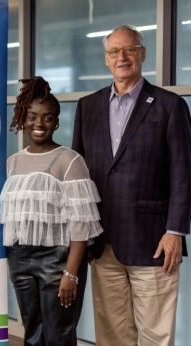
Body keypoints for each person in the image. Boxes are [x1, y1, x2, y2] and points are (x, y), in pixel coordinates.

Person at [72, 24, 191, 345]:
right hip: (102, 241)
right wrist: (79, 234)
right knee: (111, 333)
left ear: (142, 54)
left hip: (154, 241)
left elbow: (183, 172)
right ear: (106, 59)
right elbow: (78, 177)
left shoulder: (169, 105)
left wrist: (175, 231)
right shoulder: (88, 107)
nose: (121, 57)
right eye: (114, 51)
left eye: (129, 50)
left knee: (155, 333)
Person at [0, 76, 103, 345]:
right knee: (31, 334)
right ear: (23, 118)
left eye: (47, 118)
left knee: (59, 335)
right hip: (20, 259)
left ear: (56, 122)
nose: (39, 124)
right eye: (32, 116)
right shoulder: (13, 162)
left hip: (58, 260)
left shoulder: (70, 160)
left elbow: (81, 224)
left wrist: (71, 273)